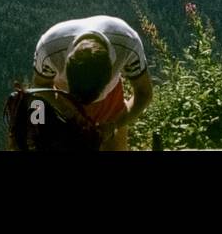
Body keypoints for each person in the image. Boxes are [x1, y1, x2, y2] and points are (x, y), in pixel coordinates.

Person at [32, 14, 153, 150]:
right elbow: (40, 86)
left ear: (109, 75)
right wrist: (67, 110)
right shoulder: (48, 47)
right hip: (63, 98)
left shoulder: (128, 42)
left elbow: (144, 94)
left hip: (109, 100)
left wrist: (114, 125)